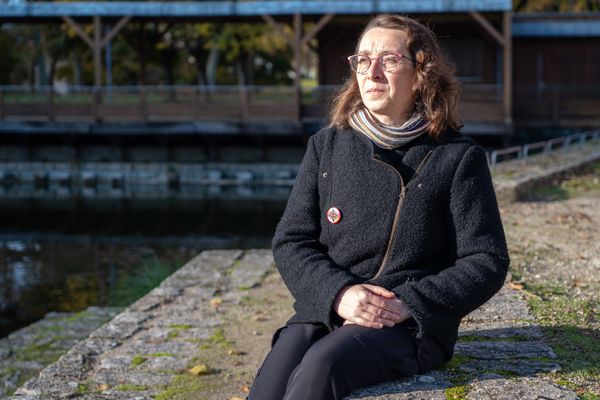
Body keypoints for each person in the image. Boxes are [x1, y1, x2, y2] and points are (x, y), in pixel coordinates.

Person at [248, 14, 509, 400]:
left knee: (322, 366)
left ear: (421, 72)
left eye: (389, 60)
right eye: (363, 60)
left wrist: (411, 304)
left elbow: (486, 259)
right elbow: (292, 240)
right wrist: (339, 294)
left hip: (408, 324)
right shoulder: (326, 146)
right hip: (329, 306)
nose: (372, 73)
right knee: (272, 380)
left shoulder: (457, 158)